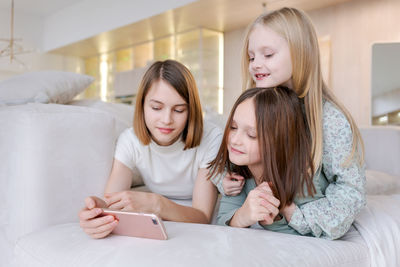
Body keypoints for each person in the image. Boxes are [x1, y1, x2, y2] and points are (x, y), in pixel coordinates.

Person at [214, 7, 366, 239]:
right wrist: (224, 180)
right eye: (251, 57)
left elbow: (350, 191)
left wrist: (295, 215)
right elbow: (235, 160)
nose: (255, 64)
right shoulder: (256, 105)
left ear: (300, 53)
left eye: (268, 54)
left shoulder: (329, 118)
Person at [79, 60, 221, 239]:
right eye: (156, 108)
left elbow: (202, 217)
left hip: (193, 221)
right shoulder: (130, 140)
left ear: (190, 111)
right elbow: (112, 201)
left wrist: (158, 204)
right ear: (142, 106)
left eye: (178, 110)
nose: (166, 120)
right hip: (158, 220)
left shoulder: (211, 138)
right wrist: (98, 212)